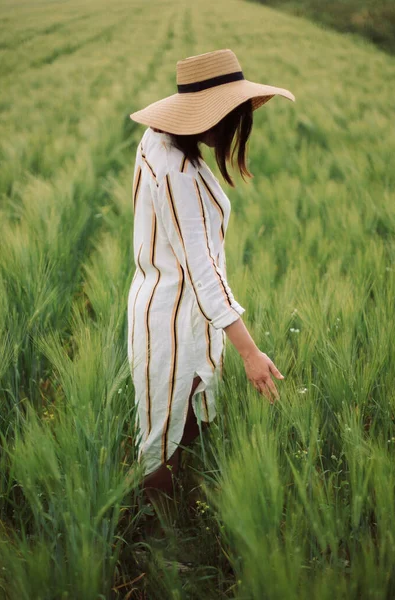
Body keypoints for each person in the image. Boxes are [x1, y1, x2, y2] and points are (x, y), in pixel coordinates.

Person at [128, 48, 295, 504]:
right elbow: (204, 274)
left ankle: (175, 516)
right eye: (232, 116)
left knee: (176, 421)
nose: (234, 129)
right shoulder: (181, 172)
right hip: (174, 319)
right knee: (162, 437)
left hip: (164, 302)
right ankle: (159, 537)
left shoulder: (156, 139)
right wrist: (251, 353)